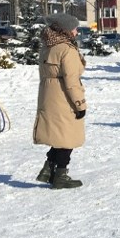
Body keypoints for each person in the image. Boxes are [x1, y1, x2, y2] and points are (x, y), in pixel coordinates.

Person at [33, 12, 88, 188]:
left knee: (58, 135)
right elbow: (71, 81)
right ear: (65, 30)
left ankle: (48, 169)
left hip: (48, 95)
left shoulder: (48, 46)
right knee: (67, 137)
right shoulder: (66, 50)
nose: (76, 32)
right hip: (64, 97)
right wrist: (80, 104)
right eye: (74, 29)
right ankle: (60, 175)